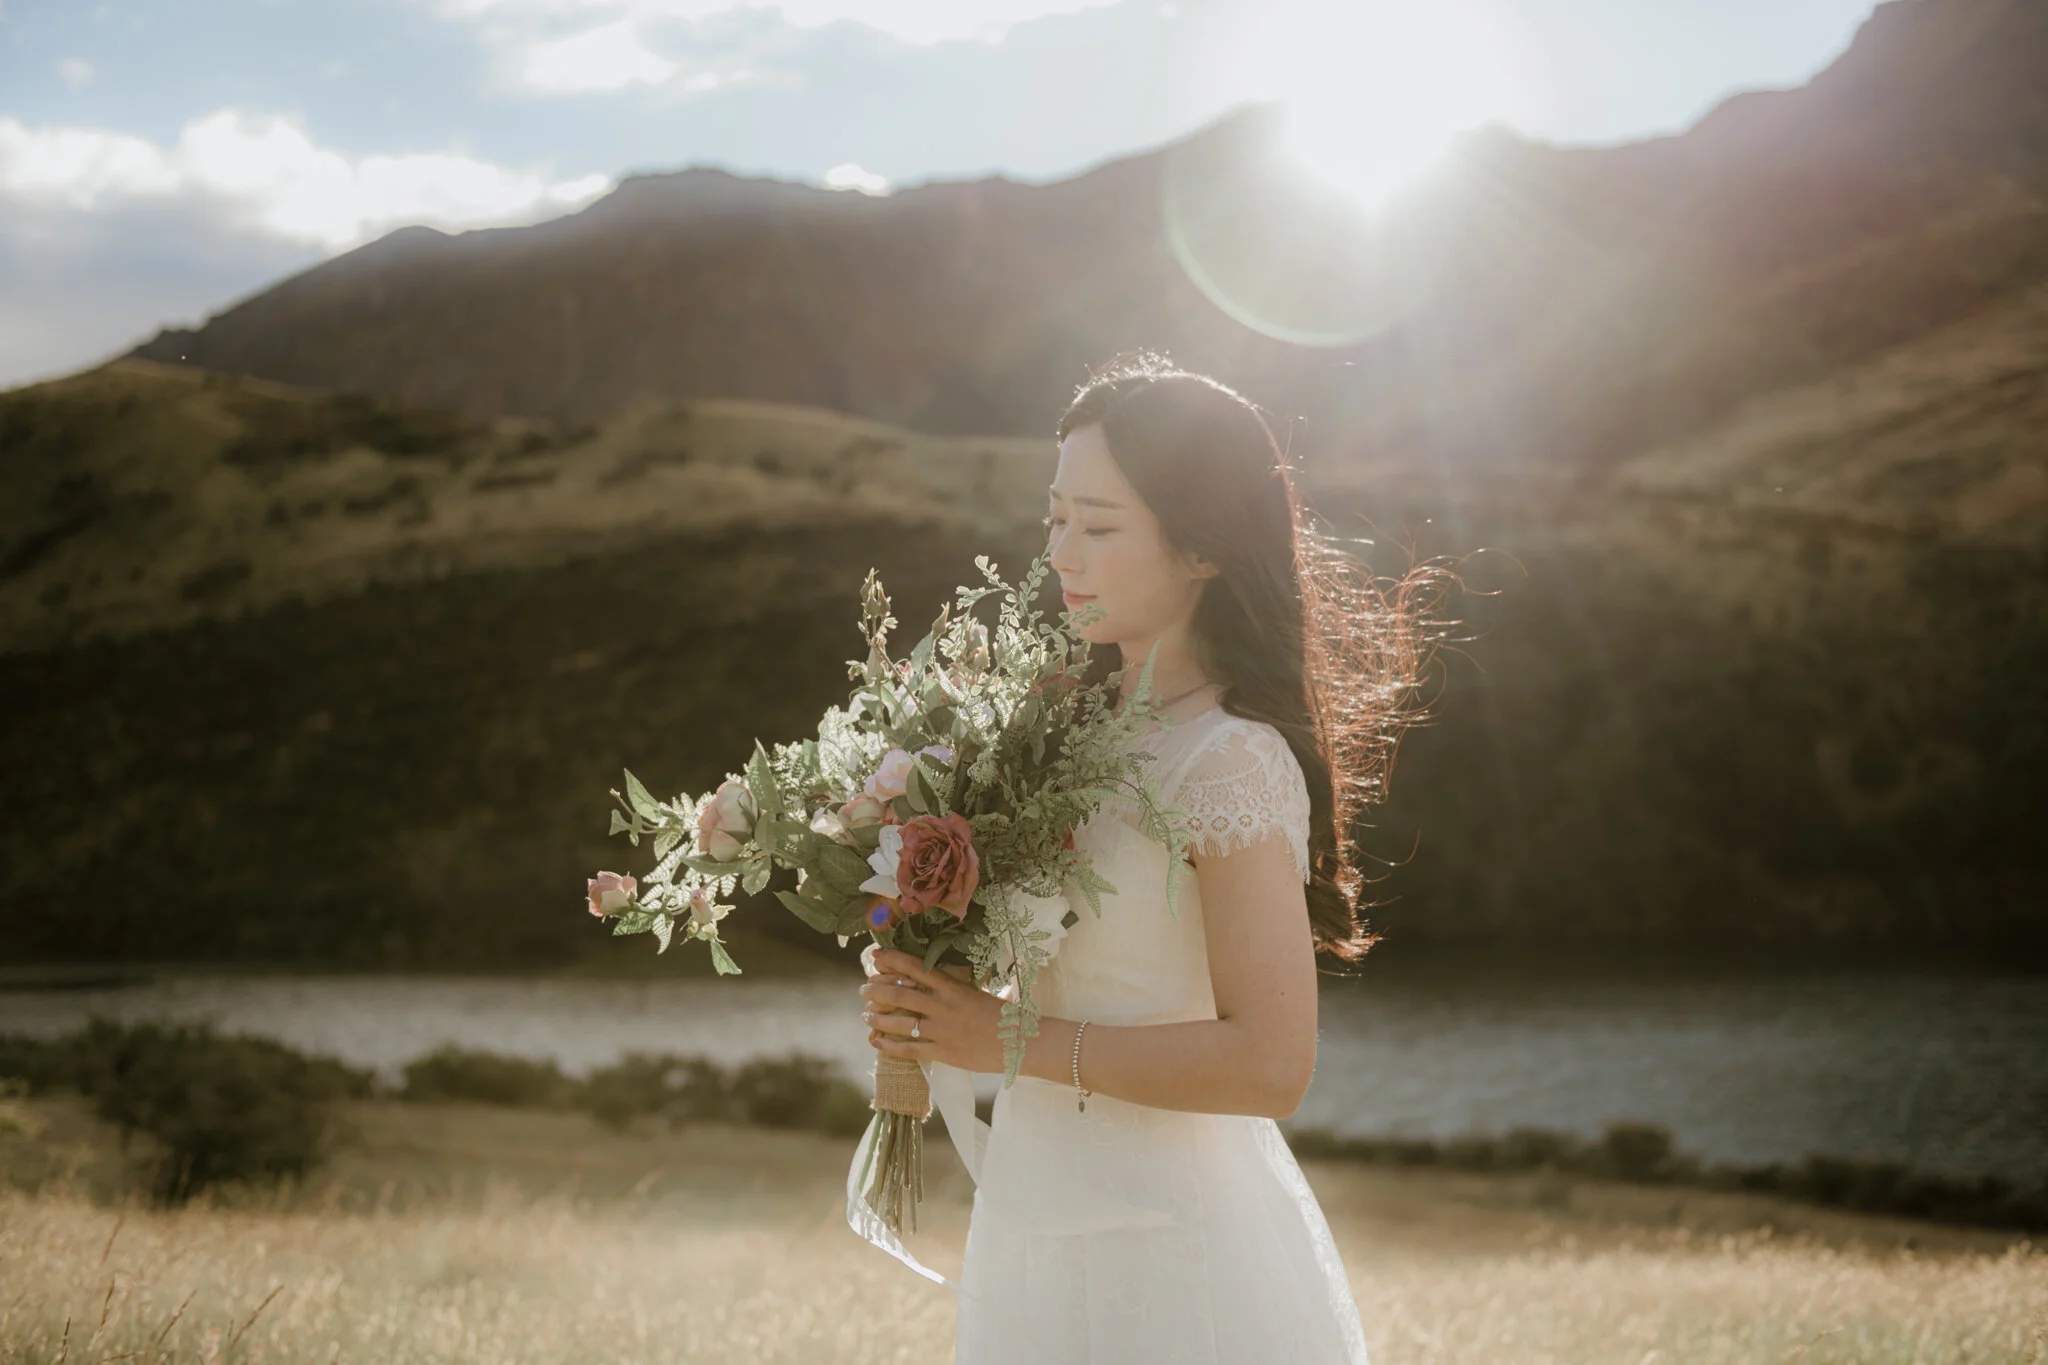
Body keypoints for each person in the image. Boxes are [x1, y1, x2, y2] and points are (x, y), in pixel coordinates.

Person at [857, 350, 1440, 1364]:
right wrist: (926, 965)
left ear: (1202, 547)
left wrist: (997, 1039)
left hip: (1175, 1247)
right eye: (1053, 519)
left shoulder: (1229, 761)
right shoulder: (1058, 733)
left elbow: (1272, 1064)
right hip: (1037, 1213)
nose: (1062, 555)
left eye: (1099, 525)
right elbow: (1056, 958)